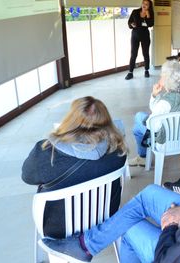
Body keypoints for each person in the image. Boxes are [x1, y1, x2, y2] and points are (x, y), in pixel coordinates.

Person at [40, 145, 180, 263]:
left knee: (129, 226)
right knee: (151, 193)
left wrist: (170, 225)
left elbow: (167, 259)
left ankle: (84, 247)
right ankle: (86, 245)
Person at [22, 97, 127, 238]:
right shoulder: (118, 149)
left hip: (59, 226)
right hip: (106, 214)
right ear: (106, 120)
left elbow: (27, 176)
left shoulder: (47, 152)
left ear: (70, 119)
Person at [130, 60, 180, 166]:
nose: (160, 78)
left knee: (137, 124)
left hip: (165, 142)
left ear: (168, 80)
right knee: (139, 121)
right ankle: (142, 157)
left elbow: (153, 126)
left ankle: (142, 157)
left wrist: (154, 96)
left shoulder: (165, 102)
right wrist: (155, 95)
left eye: (162, 76)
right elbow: (158, 110)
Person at [125, 0, 154, 80]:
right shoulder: (135, 11)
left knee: (145, 53)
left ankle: (146, 70)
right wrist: (132, 24)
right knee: (133, 54)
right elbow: (129, 22)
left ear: (149, 6)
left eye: (147, 4)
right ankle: (130, 72)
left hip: (145, 35)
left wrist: (148, 15)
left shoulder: (150, 13)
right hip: (135, 35)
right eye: (143, 3)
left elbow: (151, 24)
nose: (144, 5)